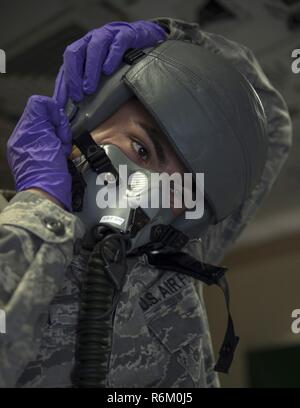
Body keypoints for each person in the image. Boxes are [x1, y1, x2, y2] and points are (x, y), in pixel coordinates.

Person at [0, 18, 292, 388]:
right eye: (141, 149)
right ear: (84, 120)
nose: (147, 194)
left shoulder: (175, 254)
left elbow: (265, 124)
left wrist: (178, 41)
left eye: (177, 189)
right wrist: (41, 206)